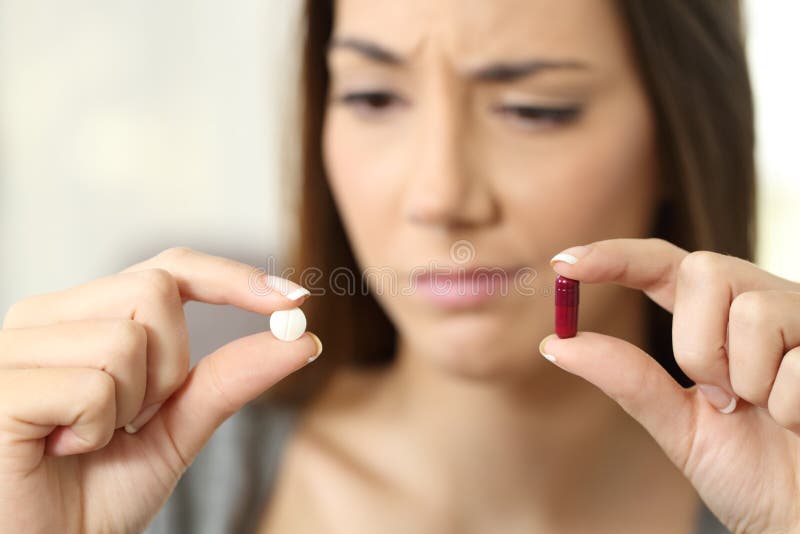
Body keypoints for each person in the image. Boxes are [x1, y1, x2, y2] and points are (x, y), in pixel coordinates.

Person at [1, 0, 798, 532]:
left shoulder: (771, 490)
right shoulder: (155, 491)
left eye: (534, 110)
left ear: (681, 136)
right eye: (374, 98)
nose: (439, 196)